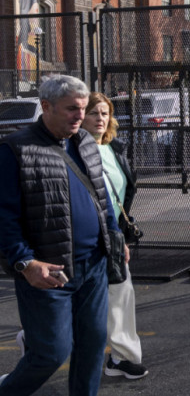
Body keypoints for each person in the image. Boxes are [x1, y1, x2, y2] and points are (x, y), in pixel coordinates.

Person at [0, 74, 122, 395]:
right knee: (50, 353)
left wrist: (113, 235)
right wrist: (25, 263)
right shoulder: (16, 150)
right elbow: (4, 218)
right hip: (48, 272)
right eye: (71, 109)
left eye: (82, 108)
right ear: (46, 107)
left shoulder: (84, 141)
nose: (80, 116)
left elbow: (101, 195)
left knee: (92, 347)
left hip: (93, 267)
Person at [82, 92, 148, 380]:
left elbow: (120, 194)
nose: (100, 119)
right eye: (94, 113)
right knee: (78, 300)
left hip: (112, 236)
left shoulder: (114, 148)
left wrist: (118, 234)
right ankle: (35, 340)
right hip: (84, 237)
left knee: (121, 293)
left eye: (104, 113)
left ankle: (122, 358)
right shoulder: (74, 151)